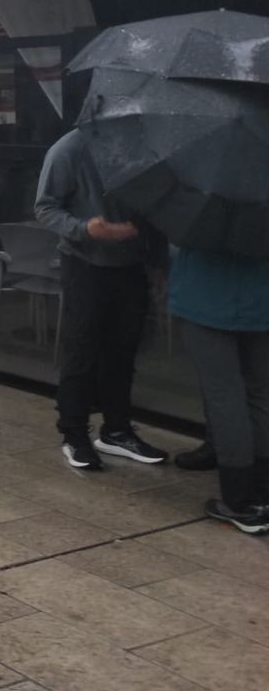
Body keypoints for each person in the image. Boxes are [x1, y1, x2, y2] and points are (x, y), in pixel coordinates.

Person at [35, 127, 168, 470]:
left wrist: (157, 264)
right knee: (82, 351)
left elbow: (153, 207)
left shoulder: (140, 143)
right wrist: (84, 229)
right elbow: (46, 207)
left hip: (132, 264)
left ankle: (117, 430)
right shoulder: (70, 147)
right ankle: (74, 435)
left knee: (123, 351)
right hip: (85, 263)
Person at [167, 246, 269, 533]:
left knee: (225, 397)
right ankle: (264, 492)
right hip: (262, 299)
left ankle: (239, 502)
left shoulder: (201, 206)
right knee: (261, 395)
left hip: (205, 300)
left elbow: (180, 235)